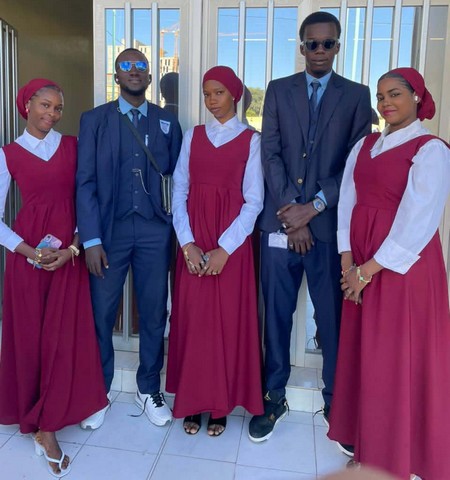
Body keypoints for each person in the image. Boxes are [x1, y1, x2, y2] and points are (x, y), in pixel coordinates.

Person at [248, 11, 372, 443]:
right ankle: (274, 396)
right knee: (276, 316)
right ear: (301, 47)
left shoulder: (356, 96)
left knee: (332, 320)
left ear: (338, 46)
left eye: (327, 43)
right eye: (312, 43)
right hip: (280, 224)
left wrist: (314, 207)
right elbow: (270, 152)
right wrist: (291, 211)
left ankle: (337, 402)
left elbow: (355, 162)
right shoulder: (278, 90)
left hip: (327, 228)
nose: (319, 50)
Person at [328, 67, 450, 479]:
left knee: (395, 360)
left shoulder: (430, 150)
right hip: (360, 261)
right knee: (367, 358)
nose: (386, 103)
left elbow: (419, 220)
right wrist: (347, 261)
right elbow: (348, 202)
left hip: (402, 269)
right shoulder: (365, 145)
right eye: (380, 96)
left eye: (395, 94)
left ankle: (397, 457)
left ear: (417, 96)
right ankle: (370, 447)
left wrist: (367, 272)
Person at [0, 78, 108, 477]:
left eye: (58, 108)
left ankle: (49, 423)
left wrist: (73, 248)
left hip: (67, 257)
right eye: (45, 105)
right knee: (31, 339)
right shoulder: (8, 155)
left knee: (63, 339)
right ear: (27, 105)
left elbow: (86, 201)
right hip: (29, 260)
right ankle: (38, 421)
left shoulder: (73, 147)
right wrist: (31, 252)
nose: (52, 113)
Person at [76, 48, 183, 430]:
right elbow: (85, 182)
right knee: (102, 313)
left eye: (141, 66)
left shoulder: (167, 121)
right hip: (110, 232)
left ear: (150, 77)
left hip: (155, 231)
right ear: (116, 76)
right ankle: (98, 390)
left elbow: (178, 179)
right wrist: (91, 240)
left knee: (153, 312)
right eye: (126, 65)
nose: (134, 70)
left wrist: (175, 228)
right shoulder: (94, 120)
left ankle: (148, 387)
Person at [166, 66, 264, 436]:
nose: (211, 100)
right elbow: (179, 189)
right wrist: (187, 243)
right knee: (194, 323)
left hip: (231, 246)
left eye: (218, 92)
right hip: (193, 240)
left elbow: (254, 201)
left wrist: (225, 249)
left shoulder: (251, 140)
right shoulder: (193, 136)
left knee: (226, 324)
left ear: (235, 95)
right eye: (207, 93)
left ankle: (220, 405)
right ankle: (192, 401)